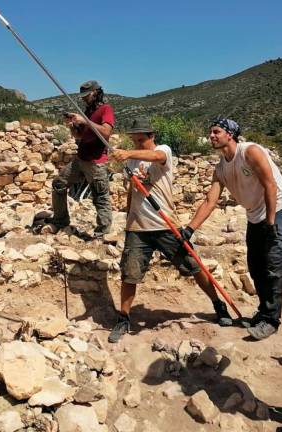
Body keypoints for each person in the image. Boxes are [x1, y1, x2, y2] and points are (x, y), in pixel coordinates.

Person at [107, 117, 233, 343]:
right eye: (135, 141)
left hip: (166, 224)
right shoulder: (133, 162)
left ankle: (218, 305)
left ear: (152, 136)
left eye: (142, 140)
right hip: (138, 228)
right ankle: (124, 318)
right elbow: (131, 192)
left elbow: (157, 156)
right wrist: (128, 218)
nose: (138, 145)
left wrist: (127, 153)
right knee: (130, 274)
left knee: (193, 266)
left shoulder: (163, 150)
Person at [186, 118, 282, 340]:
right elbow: (210, 200)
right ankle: (264, 312)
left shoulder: (250, 152)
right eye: (210, 132)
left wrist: (271, 222)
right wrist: (189, 229)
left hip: (278, 209)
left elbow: (270, 184)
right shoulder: (220, 168)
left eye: (216, 131)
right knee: (256, 267)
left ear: (230, 134)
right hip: (254, 215)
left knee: (273, 267)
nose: (212, 136)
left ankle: (271, 320)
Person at [50, 80, 114, 240]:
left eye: (87, 95)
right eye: (82, 96)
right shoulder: (87, 112)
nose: (84, 98)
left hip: (96, 162)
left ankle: (103, 233)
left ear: (96, 92)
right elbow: (79, 136)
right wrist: (72, 124)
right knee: (59, 184)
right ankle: (61, 220)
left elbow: (106, 132)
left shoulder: (106, 109)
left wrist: (85, 121)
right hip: (81, 159)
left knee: (100, 195)